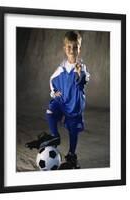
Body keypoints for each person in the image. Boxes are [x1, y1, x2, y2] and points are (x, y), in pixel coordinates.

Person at [26, 31, 90, 169]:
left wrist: (80, 73)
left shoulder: (82, 67)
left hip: (74, 106)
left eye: (75, 47)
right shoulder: (61, 68)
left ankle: (72, 155)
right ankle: (55, 136)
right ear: (64, 48)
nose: (72, 50)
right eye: (69, 47)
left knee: (73, 131)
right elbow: (52, 79)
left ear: (80, 48)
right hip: (62, 102)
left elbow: (83, 81)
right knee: (50, 111)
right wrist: (54, 92)